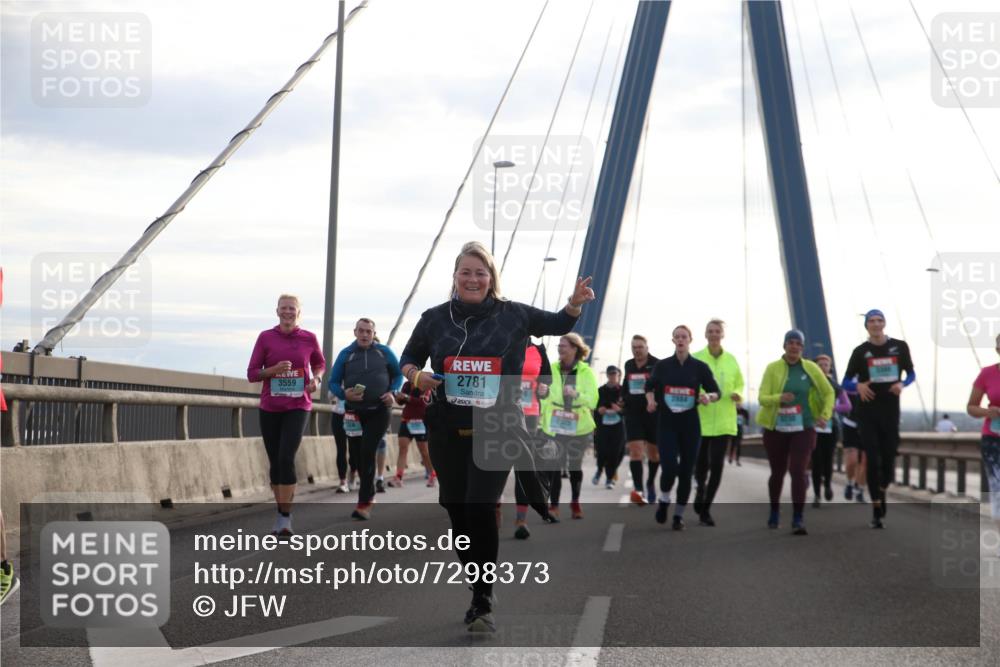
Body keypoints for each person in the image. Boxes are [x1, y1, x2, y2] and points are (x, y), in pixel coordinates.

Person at [399, 241, 594, 633]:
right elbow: (408, 360)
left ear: (492, 279)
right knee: (457, 512)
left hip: (498, 426)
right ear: (455, 277)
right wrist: (418, 377)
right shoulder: (434, 319)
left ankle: (482, 597)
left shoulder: (514, 315)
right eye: (466, 272)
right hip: (447, 427)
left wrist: (574, 304)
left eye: (481, 273)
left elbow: (558, 323)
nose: (473, 279)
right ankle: (477, 583)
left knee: (479, 507)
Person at [247, 294, 326, 536]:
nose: (288, 312)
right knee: (274, 462)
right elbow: (252, 373)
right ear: (277, 311)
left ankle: (285, 516)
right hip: (270, 406)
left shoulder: (309, 338)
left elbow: (319, 363)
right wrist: (273, 370)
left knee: (286, 457)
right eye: (284, 308)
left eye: (292, 308)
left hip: (298, 405)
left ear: (299, 312)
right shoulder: (266, 337)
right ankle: (281, 510)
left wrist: (316, 379)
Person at [842, 309, 915, 529]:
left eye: (879, 320)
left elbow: (911, 373)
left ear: (884, 324)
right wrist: (858, 386)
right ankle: (875, 509)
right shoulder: (860, 352)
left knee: (889, 462)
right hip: (868, 413)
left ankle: (882, 491)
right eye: (871, 321)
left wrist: (902, 384)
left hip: (890, 412)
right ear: (866, 326)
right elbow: (845, 382)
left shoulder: (899, 347)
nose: (875, 324)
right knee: (872, 461)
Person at [757, 329, 834, 535]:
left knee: (798, 470)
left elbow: (828, 392)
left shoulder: (810, 368)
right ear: (784, 345)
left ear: (802, 347)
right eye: (790, 342)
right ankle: (774, 511)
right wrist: (779, 398)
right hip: (776, 427)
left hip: (804, 426)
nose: (794, 346)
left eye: (798, 343)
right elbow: (762, 398)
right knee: (778, 472)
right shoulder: (773, 368)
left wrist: (825, 415)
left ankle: (798, 517)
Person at [645, 325, 721, 530]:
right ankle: (664, 501)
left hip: (690, 426)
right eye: (677, 337)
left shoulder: (699, 367)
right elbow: (649, 386)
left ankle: (678, 516)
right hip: (667, 424)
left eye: (684, 337)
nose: (680, 340)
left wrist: (708, 397)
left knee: (687, 472)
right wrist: (650, 400)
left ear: (690, 340)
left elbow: (716, 392)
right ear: (673, 341)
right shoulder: (662, 366)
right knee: (669, 468)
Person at [328, 318, 403, 521]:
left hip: (379, 410)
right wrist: (345, 394)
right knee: (356, 455)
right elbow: (333, 382)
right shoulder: (346, 354)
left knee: (367, 450)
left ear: (373, 333)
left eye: (368, 331)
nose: (364, 335)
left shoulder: (384, 352)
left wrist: (393, 392)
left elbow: (398, 375)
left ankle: (363, 504)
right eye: (361, 331)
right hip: (354, 411)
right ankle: (369, 494)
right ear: (355, 332)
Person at [539, 333, 599, 519]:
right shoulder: (551, 368)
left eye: (564, 345)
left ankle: (575, 501)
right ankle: (554, 505)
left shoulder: (585, 372)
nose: (559, 348)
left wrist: (576, 394)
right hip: (555, 423)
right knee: (554, 464)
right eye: (559, 345)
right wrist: (542, 392)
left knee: (574, 466)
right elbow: (544, 395)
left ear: (574, 348)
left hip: (578, 425)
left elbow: (593, 401)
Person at [692, 319, 744, 526]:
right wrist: (701, 395)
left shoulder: (731, 360)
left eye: (717, 331)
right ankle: (700, 490)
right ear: (705, 335)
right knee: (701, 465)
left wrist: (738, 394)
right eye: (710, 331)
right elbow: (690, 383)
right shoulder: (696, 358)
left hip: (724, 421)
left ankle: (706, 508)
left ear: (722, 335)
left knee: (717, 465)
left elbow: (739, 383)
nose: (714, 334)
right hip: (701, 420)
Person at [513, 339, 558, 540]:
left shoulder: (539, 350)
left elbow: (546, 383)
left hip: (529, 415)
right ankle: (493, 510)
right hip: (499, 413)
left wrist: (543, 390)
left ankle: (520, 520)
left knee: (523, 465)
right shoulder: (500, 341)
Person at [967, 333, 1000, 555]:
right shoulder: (987, 374)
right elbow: (971, 406)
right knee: (998, 490)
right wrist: (988, 411)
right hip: (993, 440)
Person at [622, 335, 660, 505]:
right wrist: (623, 398)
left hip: (652, 413)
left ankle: (650, 482)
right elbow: (626, 385)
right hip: (633, 414)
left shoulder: (657, 364)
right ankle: (639, 490)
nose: (637, 350)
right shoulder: (629, 364)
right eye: (634, 347)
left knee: (654, 454)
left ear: (647, 347)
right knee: (636, 451)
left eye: (640, 347)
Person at [810, 354, 851, 508]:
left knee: (827, 460)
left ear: (829, 368)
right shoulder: (810, 383)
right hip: (813, 427)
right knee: (816, 461)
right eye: (820, 364)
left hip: (830, 427)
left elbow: (847, 406)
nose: (823, 367)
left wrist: (832, 408)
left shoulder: (835, 385)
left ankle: (827, 484)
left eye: (826, 365)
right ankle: (817, 495)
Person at [390, 380, 435, 487]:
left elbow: (423, 401)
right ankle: (398, 477)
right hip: (406, 420)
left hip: (421, 421)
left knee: (424, 452)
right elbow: (401, 402)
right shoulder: (406, 385)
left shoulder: (425, 383)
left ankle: (432, 475)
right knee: (402, 449)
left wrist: (406, 397)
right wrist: (399, 397)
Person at [595, 366, 627, 489]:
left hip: (619, 427)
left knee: (616, 453)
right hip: (603, 426)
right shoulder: (600, 390)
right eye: (610, 374)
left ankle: (609, 478)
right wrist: (599, 410)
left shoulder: (624, 391)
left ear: (619, 376)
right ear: (607, 375)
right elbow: (594, 407)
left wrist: (620, 410)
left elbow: (628, 409)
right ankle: (599, 469)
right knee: (601, 451)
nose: (613, 376)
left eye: (615, 374)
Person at [841, 389, 868, 503]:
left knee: (865, 462)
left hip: (867, 426)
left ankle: (860, 491)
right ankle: (849, 483)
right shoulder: (851, 376)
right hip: (850, 425)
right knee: (852, 461)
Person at [330, 396, 357, 493]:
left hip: (353, 415)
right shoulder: (335, 380)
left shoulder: (355, 380)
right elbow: (330, 396)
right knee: (341, 449)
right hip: (338, 415)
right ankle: (342, 481)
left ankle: (353, 474)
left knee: (354, 449)